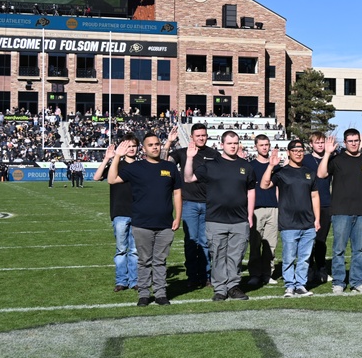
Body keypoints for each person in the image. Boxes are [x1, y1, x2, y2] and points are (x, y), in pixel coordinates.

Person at [108, 131, 183, 307]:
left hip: (165, 224)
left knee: (160, 261)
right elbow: (111, 179)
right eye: (150, 145)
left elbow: (178, 192)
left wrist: (178, 217)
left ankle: (160, 293)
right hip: (141, 224)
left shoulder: (170, 167)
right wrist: (117, 156)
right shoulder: (135, 168)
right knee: (144, 261)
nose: (155, 147)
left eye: (157, 144)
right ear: (144, 148)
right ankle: (143, 293)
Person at [184, 131, 255, 302]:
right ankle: (220, 288)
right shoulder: (211, 165)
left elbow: (251, 191)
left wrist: (250, 215)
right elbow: (188, 178)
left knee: (236, 256)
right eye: (229, 143)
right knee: (217, 255)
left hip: (239, 220)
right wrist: (189, 158)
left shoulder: (246, 166)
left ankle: (233, 286)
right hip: (216, 219)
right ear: (222, 144)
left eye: (235, 143)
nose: (233, 146)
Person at [316, 128, 362, 294]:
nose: (354, 143)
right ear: (345, 142)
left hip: (361, 211)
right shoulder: (337, 159)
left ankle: (357, 281)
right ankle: (339, 282)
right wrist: (327, 153)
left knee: (359, 249)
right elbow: (321, 174)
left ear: (361, 141)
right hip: (341, 211)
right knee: (339, 249)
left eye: (356, 140)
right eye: (350, 141)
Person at [261, 140, 319, 298]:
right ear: (289, 152)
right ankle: (289, 285)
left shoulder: (309, 172)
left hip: (307, 222)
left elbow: (315, 196)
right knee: (289, 257)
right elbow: (264, 185)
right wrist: (271, 166)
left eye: (301, 150)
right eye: (295, 150)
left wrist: (317, 219)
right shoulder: (281, 172)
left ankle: (301, 284)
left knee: (305, 258)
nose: (298, 153)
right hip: (289, 222)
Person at [165, 125, 219, 289]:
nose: (201, 138)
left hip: (209, 203)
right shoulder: (182, 153)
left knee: (205, 242)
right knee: (191, 241)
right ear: (191, 137)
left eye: (203, 135)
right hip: (188, 203)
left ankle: (206, 276)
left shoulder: (214, 154)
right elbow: (163, 161)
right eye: (198, 135)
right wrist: (168, 143)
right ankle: (192, 276)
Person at [94, 134, 138, 293]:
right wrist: (108, 158)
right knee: (121, 249)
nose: (131, 149)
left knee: (135, 250)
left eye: (134, 146)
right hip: (119, 211)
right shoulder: (116, 164)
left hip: (138, 212)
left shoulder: (141, 165)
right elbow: (97, 177)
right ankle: (121, 281)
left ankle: (134, 281)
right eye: (128, 146)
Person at [247, 134, 279, 287]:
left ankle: (267, 273)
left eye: (267, 144)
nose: (265, 147)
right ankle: (254, 274)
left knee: (271, 245)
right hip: (256, 209)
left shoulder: (276, 165)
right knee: (255, 243)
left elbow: (278, 188)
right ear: (255, 147)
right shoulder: (251, 166)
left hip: (273, 208)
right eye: (261, 145)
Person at [302, 131, 333, 284]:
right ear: (311, 144)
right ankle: (307, 268)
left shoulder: (331, 157)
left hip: (326, 203)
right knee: (308, 238)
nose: (320, 145)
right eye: (317, 142)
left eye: (322, 142)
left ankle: (321, 267)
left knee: (321, 239)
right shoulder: (305, 159)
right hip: (308, 203)